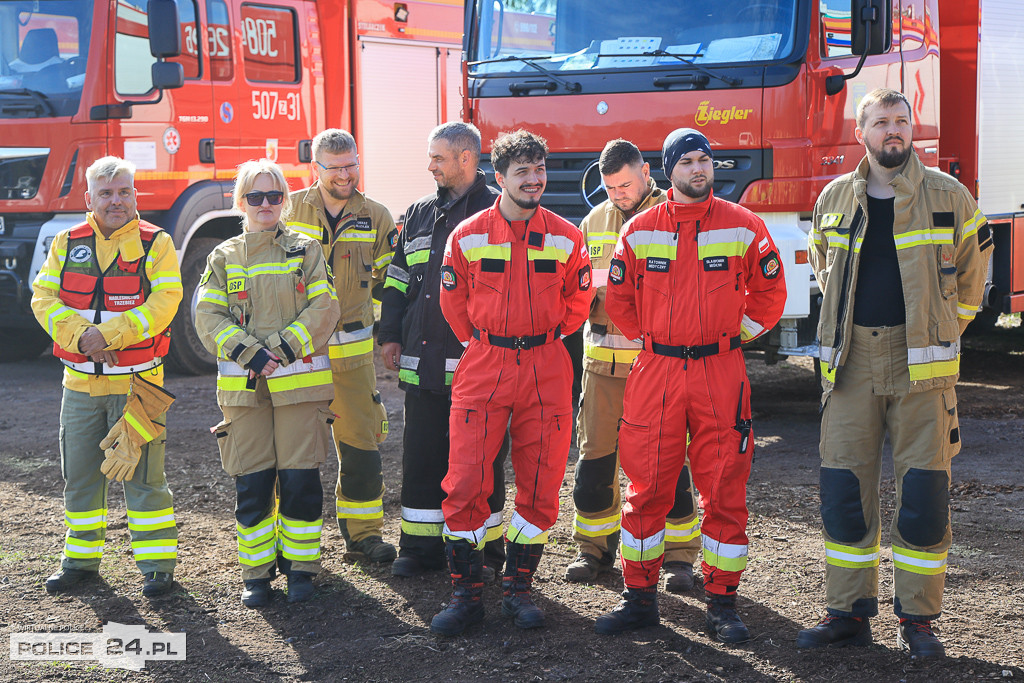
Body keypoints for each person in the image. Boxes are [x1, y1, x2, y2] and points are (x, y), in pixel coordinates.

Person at [796, 88, 992, 658]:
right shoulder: (833, 198)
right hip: (851, 364)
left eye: (901, 121)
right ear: (861, 133)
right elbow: (823, 266)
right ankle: (848, 614)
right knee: (844, 493)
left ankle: (919, 621)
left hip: (922, 372)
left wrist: (939, 332)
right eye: (881, 122)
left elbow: (975, 276)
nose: (893, 131)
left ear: (912, 128)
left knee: (924, 496)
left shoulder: (949, 196)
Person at [598, 128, 787, 642]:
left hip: (719, 372)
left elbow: (770, 295)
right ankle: (639, 600)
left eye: (704, 160)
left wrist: (727, 338)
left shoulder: (744, 225)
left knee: (724, 488)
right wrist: (657, 341)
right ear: (668, 170)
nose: (698, 169)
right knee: (646, 489)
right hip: (656, 372)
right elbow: (618, 302)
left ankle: (722, 603)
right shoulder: (638, 230)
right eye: (686, 162)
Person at [431, 130, 593, 635]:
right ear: (498, 178)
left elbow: (578, 305)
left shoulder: (568, 235)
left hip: (547, 365)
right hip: (484, 364)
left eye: (539, 170)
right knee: (465, 483)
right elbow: (453, 307)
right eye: (522, 171)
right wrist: (491, 342)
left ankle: (519, 590)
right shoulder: (468, 234)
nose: (534, 180)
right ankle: (467, 595)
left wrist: (537, 339)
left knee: (542, 483)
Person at [31, 156, 182, 598]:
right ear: (89, 198)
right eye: (107, 193)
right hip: (78, 386)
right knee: (79, 476)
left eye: (124, 191)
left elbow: (165, 302)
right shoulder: (65, 240)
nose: (116, 200)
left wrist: (108, 335)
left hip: (139, 387)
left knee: (145, 478)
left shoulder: (158, 242)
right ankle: (80, 562)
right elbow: (43, 297)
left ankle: (157, 567)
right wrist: (82, 338)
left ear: (136, 194)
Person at [194, 159, 340, 607]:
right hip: (244, 393)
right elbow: (206, 316)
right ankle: (256, 574)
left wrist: (278, 348)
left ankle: (300, 570)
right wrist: (250, 353)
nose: (265, 205)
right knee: (252, 484)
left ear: (285, 201)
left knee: (299, 482)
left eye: (274, 196)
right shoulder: (223, 256)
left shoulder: (306, 250)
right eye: (255, 197)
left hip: (299, 389)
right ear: (241, 202)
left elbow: (326, 306)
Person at [567, 139, 702, 592]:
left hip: (657, 370)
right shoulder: (593, 223)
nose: (618, 194)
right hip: (602, 368)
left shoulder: (675, 216)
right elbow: (580, 295)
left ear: (647, 172)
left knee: (667, 464)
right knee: (596, 462)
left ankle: (679, 558)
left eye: (625, 184)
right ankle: (593, 549)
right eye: (609, 187)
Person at [378, 122, 509, 580]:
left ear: (467, 159)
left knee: (480, 463)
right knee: (421, 458)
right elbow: (397, 282)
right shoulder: (417, 213)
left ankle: (485, 552)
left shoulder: (499, 211)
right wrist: (389, 334)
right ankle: (418, 549)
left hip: (480, 370)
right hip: (423, 363)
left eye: (438, 157)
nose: (429, 165)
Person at [287, 129, 398, 564]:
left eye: (351, 164)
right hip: (298, 358)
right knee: (293, 455)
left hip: (353, 362)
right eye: (335, 168)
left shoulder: (377, 216)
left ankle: (364, 535)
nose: (345, 174)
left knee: (362, 449)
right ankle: (292, 545)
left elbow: (392, 289)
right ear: (316, 169)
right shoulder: (288, 208)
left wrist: (391, 338)